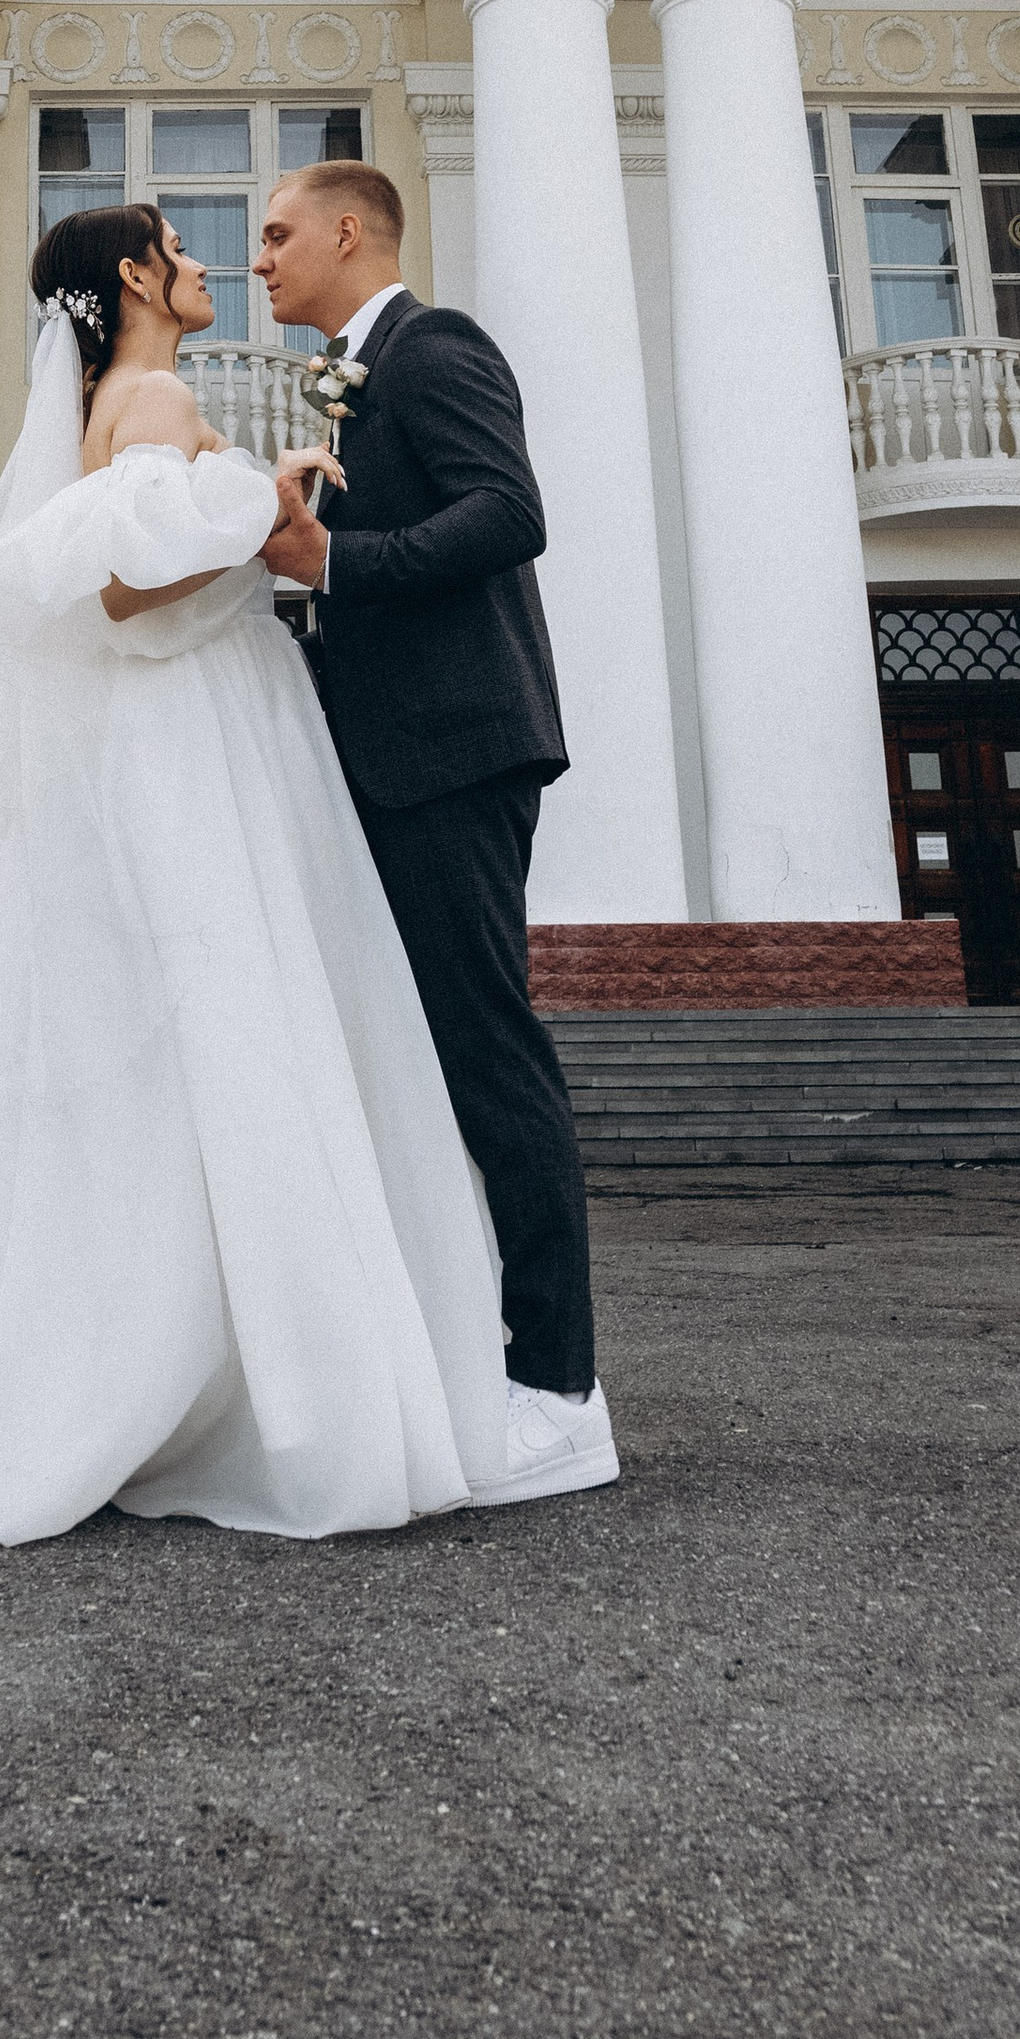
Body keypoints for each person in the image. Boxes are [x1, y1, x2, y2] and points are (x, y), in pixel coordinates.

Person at [0, 199, 533, 1545]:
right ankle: (225, 1382)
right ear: (136, 275)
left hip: (212, 728)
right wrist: (270, 501)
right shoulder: (146, 402)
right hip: (199, 743)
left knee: (192, 1055)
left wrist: (259, 507)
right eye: (184, 251)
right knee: (228, 1035)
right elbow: (130, 595)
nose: (208, 268)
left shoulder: (129, 400)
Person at [256, 160, 615, 1503]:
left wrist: (333, 566)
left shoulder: (433, 344)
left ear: (353, 232)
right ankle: (484, 1359)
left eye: (280, 233)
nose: (261, 256)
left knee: (489, 1057)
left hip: (458, 753)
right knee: (429, 1064)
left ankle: (560, 1391)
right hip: (395, 760)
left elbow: (508, 513)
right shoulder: (350, 373)